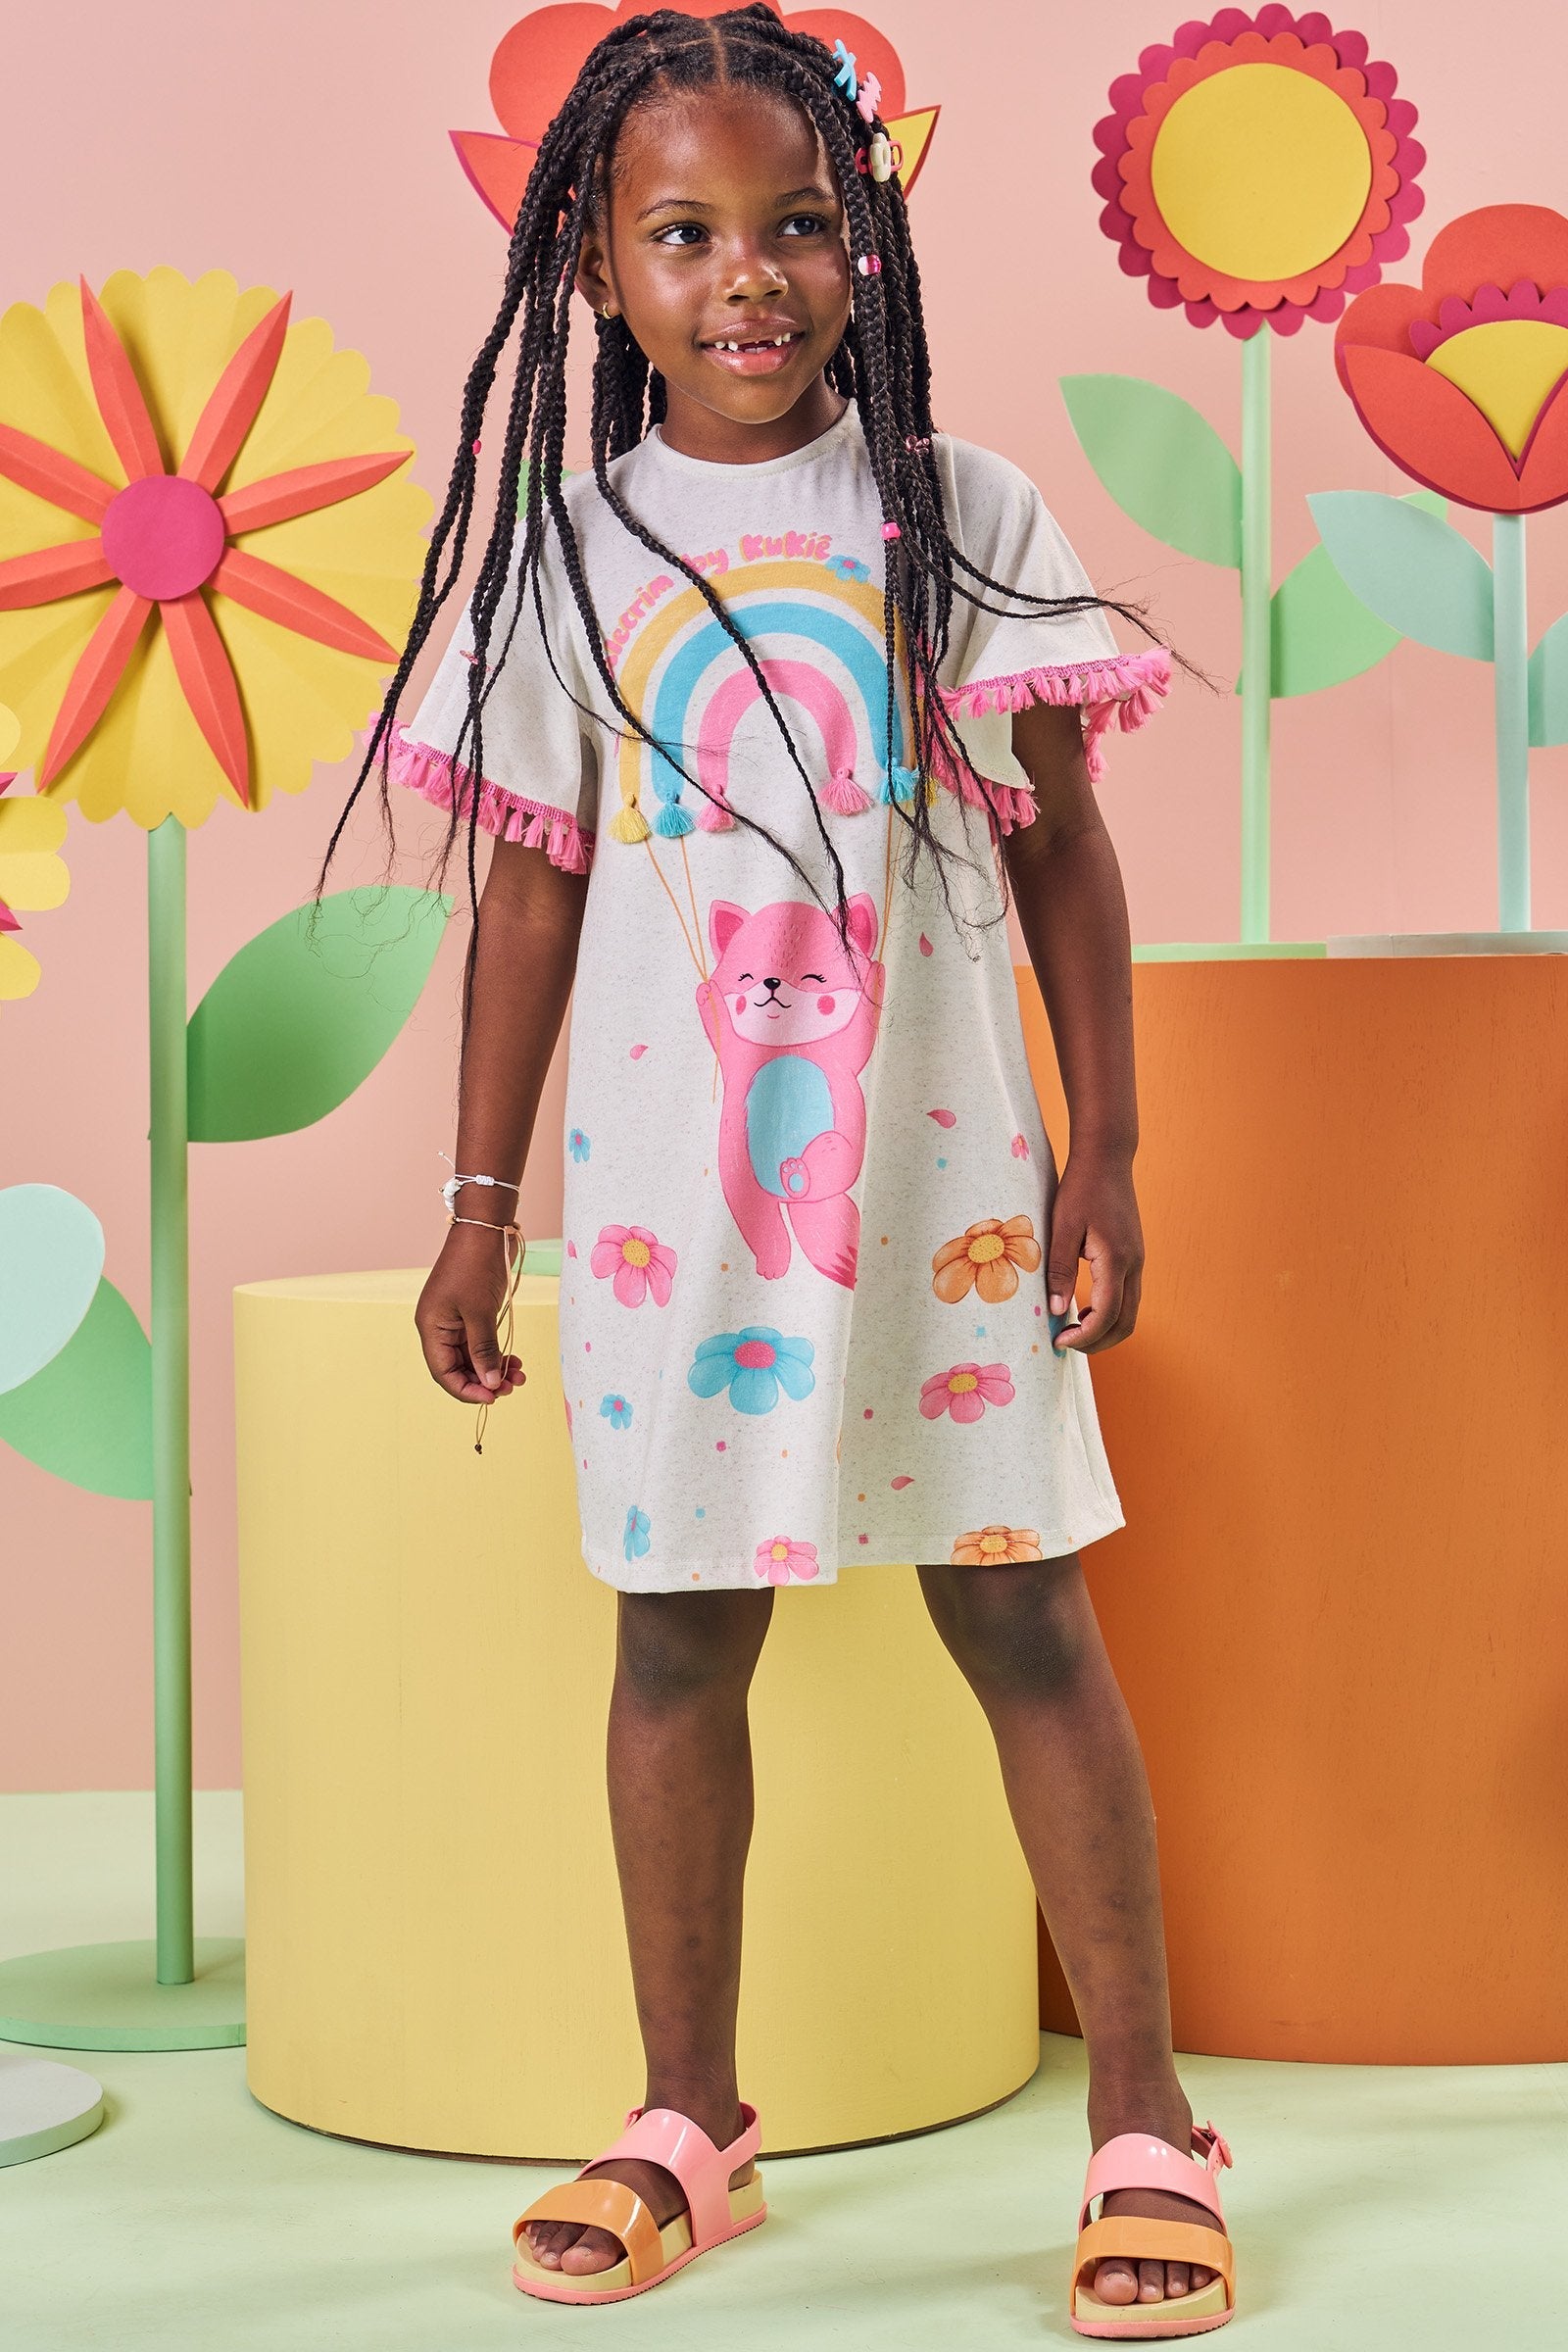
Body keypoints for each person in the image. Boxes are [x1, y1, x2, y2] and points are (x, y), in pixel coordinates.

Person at [322, 7, 1235, 2333]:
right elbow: (529, 887)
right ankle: (684, 2122)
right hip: (669, 1213)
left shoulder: (957, 513)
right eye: (683, 233)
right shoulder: (573, 551)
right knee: (673, 1634)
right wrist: (475, 1207)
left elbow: (1059, 848)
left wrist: (1106, 1147)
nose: (748, 275)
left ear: (863, 245)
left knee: (1021, 1612)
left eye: (798, 223)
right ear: (595, 274)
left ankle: (1144, 2119)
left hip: (943, 1198)